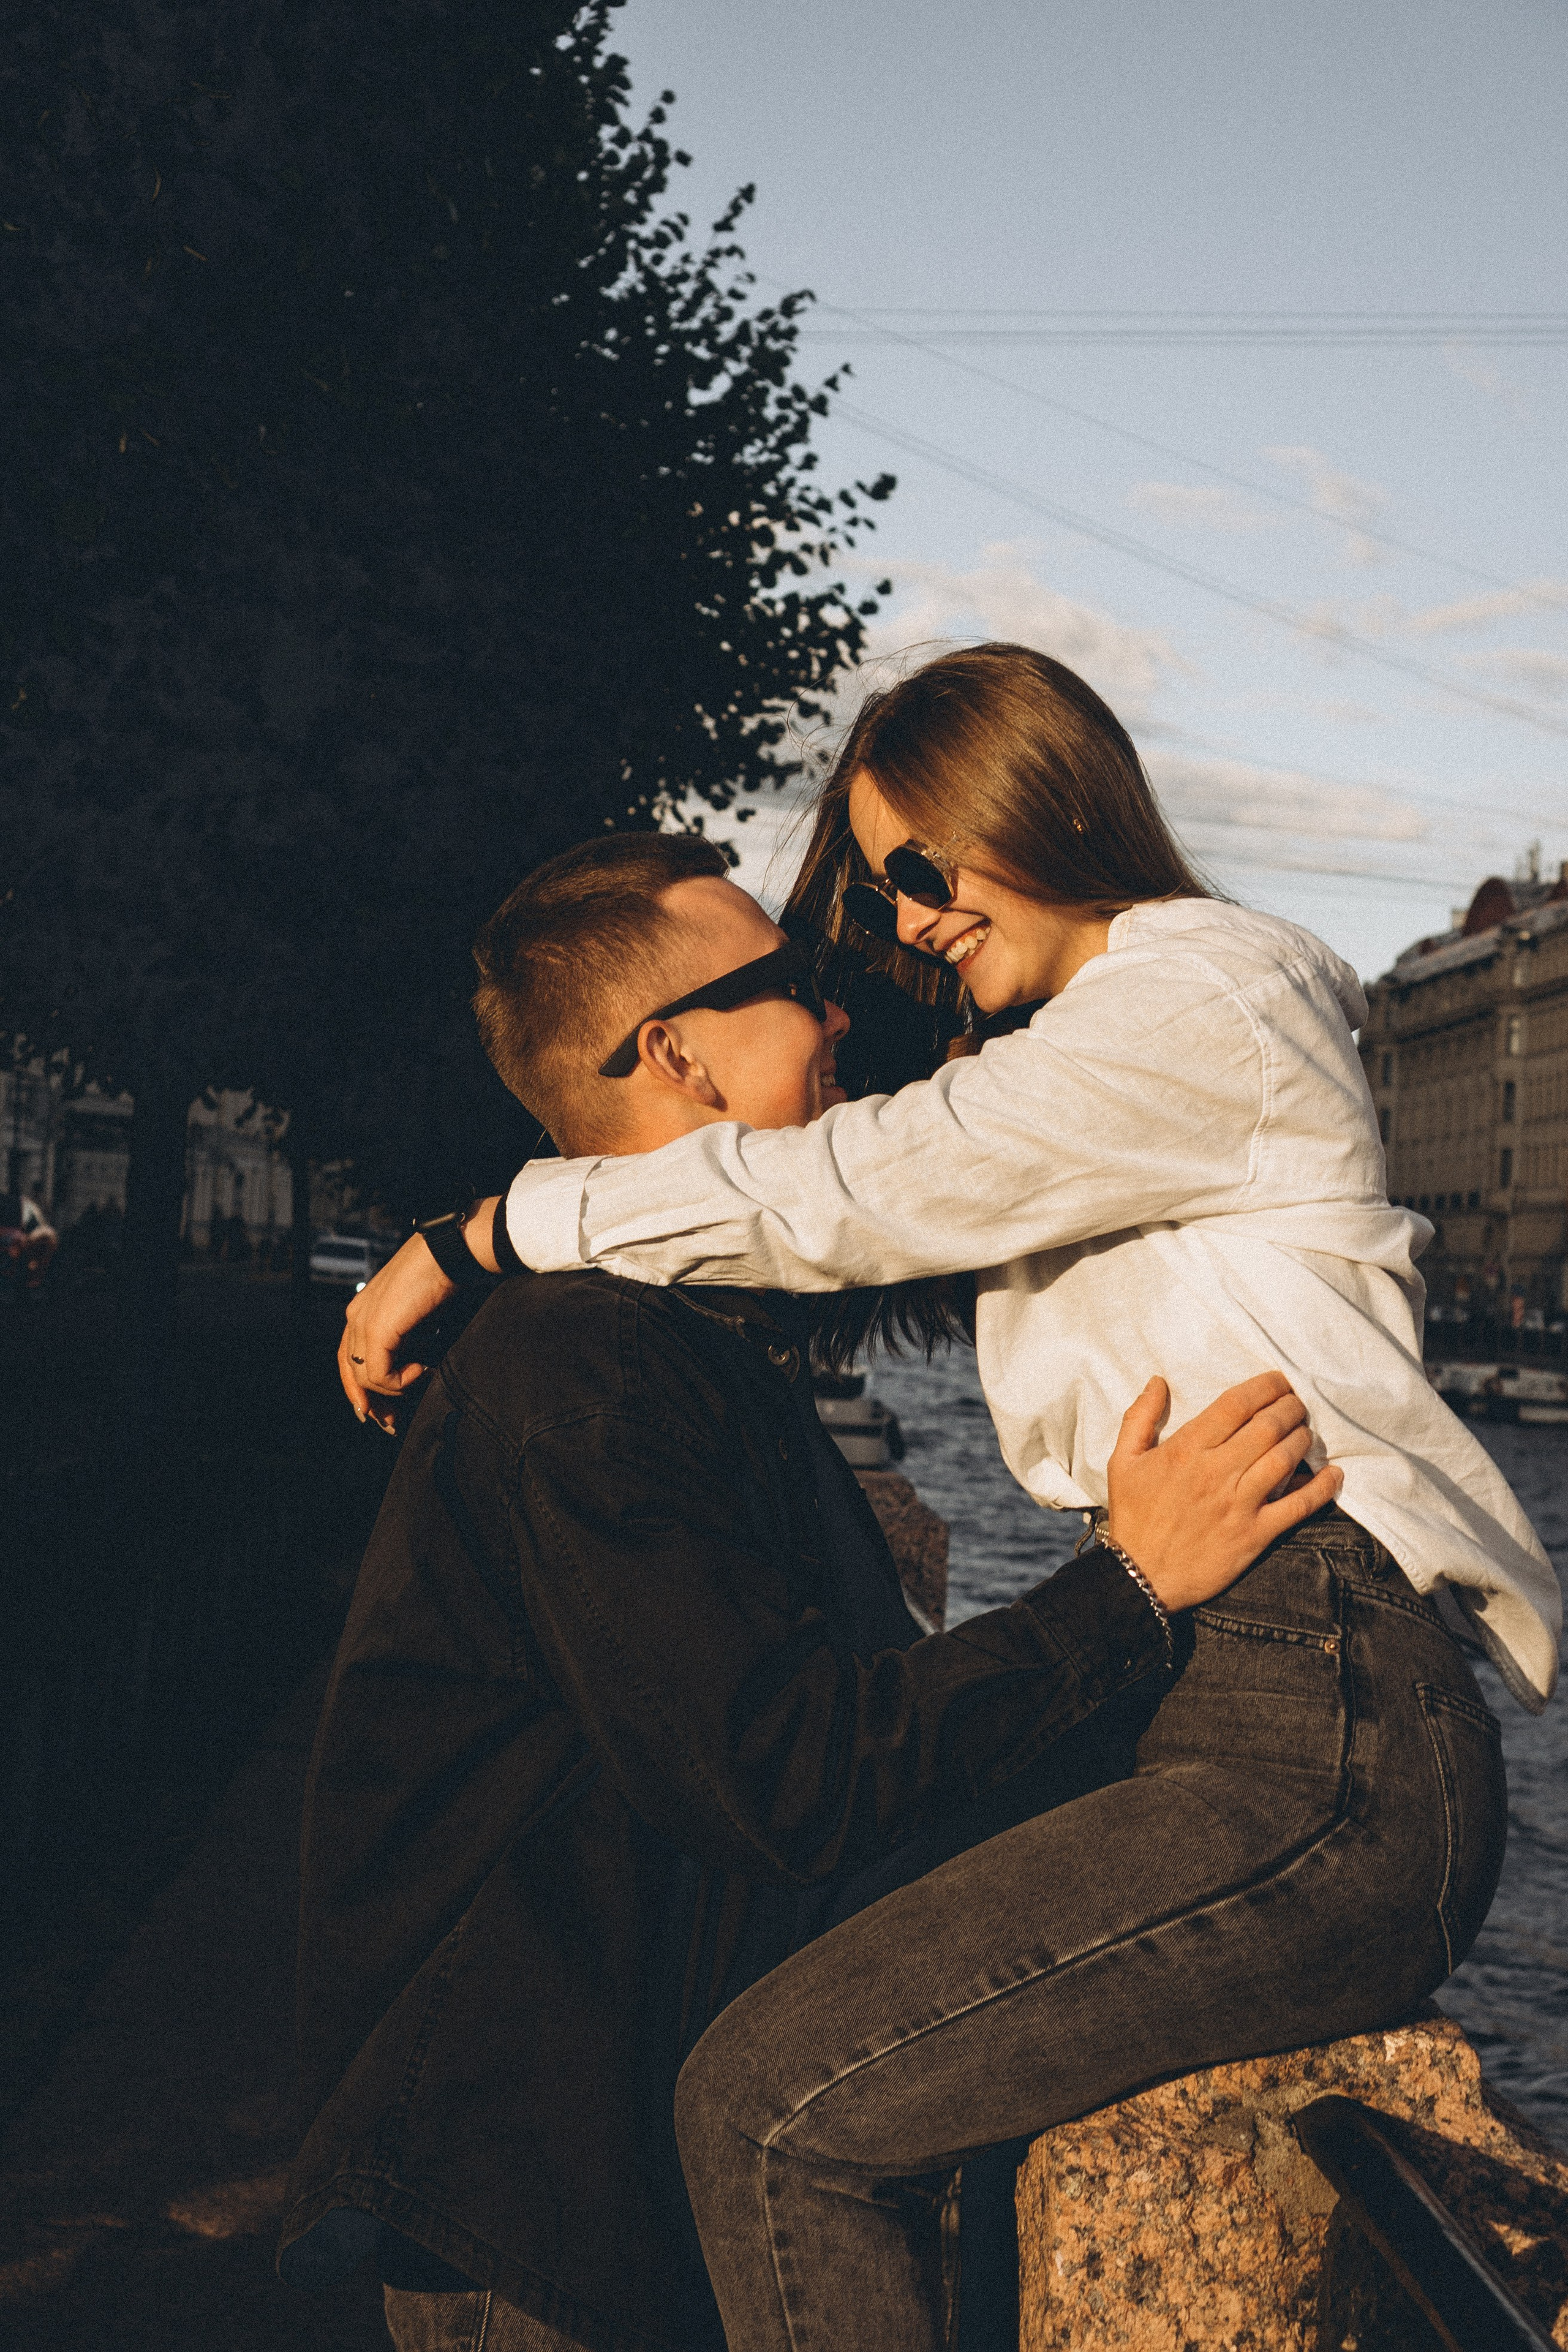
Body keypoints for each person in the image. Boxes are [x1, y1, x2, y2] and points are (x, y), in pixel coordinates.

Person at [341, 645, 1539, 2351]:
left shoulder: (1204, 994)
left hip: (1318, 1698)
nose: (903, 930)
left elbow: (851, 1187)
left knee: (774, 2111)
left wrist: (478, 1229)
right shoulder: (1079, 1076)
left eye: (921, 869)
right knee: (796, 2092)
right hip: (1231, 1698)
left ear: (1033, 798)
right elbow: (855, 1200)